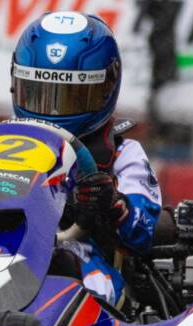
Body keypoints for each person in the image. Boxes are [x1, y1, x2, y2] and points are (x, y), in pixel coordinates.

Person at [11, 11, 162, 305]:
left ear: (106, 89)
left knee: (71, 273)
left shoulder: (122, 154)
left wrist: (112, 202)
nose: (52, 111)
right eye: (40, 94)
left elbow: (143, 234)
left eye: (70, 97)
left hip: (79, 255)